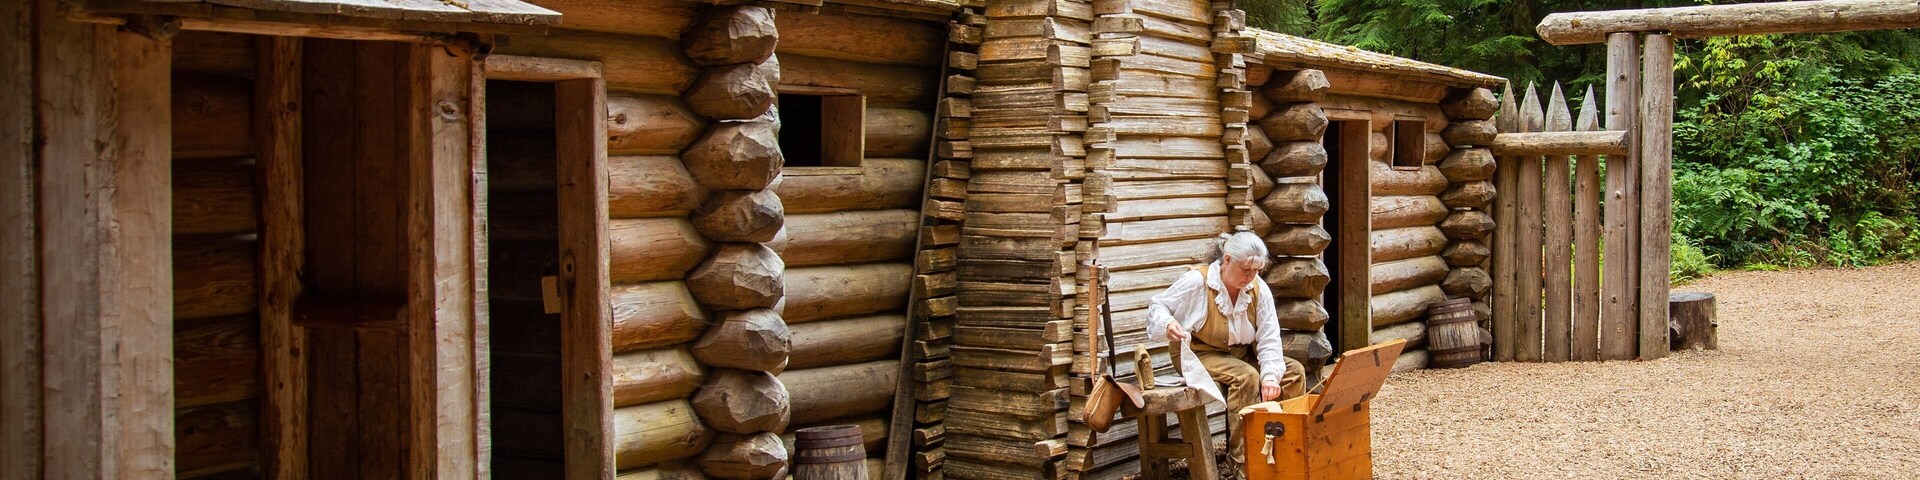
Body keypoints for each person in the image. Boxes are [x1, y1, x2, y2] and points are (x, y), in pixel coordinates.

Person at [1146, 231, 1306, 476]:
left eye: (1256, 271)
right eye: (1245, 270)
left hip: (1239, 353)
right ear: (1227, 260)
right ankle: (1243, 459)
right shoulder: (1197, 282)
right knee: (1246, 376)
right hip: (1199, 352)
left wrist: (1272, 375)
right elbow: (1158, 304)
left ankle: (1288, 448)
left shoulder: (1257, 288)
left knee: (1293, 372)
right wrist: (1168, 323)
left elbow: (1269, 335)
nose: (1251, 277)